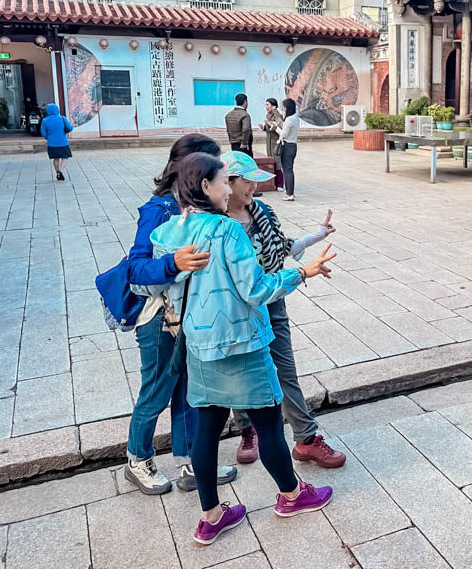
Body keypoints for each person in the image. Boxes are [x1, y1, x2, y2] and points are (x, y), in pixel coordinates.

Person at [150, 152, 336, 544]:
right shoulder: (227, 230)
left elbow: (157, 284)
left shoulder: (170, 232)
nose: (226, 190)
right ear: (206, 186)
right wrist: (303, 271)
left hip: (199, 346)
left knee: (208, 429)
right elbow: (257, 290)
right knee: (269, 425)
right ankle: (291, 495)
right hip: (242, 344)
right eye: (221, 182)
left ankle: (211, 516)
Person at [122, 133, 238, 495]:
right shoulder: (160, 209)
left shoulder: (202, 208)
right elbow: (136, 270)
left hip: (188, 315)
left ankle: (192, 462)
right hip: (158, 317)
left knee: (189, 390)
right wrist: (172, 263)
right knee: (157, 389)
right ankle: (137, 459)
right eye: (215, 171)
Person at [221, 151, 345, 469]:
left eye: (255, 181)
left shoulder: (263, 211)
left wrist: (317, 235)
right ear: (228, 183)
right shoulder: (215, 222)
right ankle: (247, 432)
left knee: (285, 372)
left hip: (272, 300)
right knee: (240, 373)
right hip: (236, 309)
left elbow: (282, 248)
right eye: (246, 181)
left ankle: (305, 440)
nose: (252, 188)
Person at [40, 103, 73, 181]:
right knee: (65, 157)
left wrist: (48, 138)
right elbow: (70, 128)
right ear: (57, 109)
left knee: (56, 158)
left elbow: (43, 133)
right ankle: (60, 171)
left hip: (52, 143)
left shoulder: (45, 121)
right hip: (63, 142)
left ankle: (57, 172)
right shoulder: (62, 118)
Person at [258, 97, 285, 191]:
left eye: (268, 104)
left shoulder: (278, 115)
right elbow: (268, 128)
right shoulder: (268, 114)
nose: (266, 106)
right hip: (269, 141)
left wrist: (269, 123)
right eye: (265, 104)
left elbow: (280, 128)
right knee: (270, 162)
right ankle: (273, 183)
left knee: (277, 163)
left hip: (276, 142)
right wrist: (263, 127)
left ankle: (280, 184)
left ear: (274, 106)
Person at [277, 98, 300, 201]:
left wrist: (276, 128)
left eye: (284, 107)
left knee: (287, 170)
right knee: (289, 169)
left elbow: (284, 134)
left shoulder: (289, 119)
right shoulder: (296, 118)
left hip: (287, 145)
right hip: (293, 145)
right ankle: (290, 192)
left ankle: (289, 193)